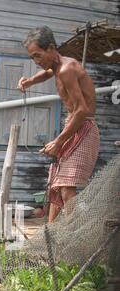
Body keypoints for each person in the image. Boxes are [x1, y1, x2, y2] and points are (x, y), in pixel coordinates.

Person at [18, 26, 100, 222]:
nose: (36, 62)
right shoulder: (56, 67)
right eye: (32, 58)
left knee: (65, 186)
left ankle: (74, 236)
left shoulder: (66, 69)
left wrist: (59, 141)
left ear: (51, 48)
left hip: (85, 127)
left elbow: (81, 110)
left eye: (38, 56)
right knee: (56, 182)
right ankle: (51, 232)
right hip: (72, 124)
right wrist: (29, 81)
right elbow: (46, 73)